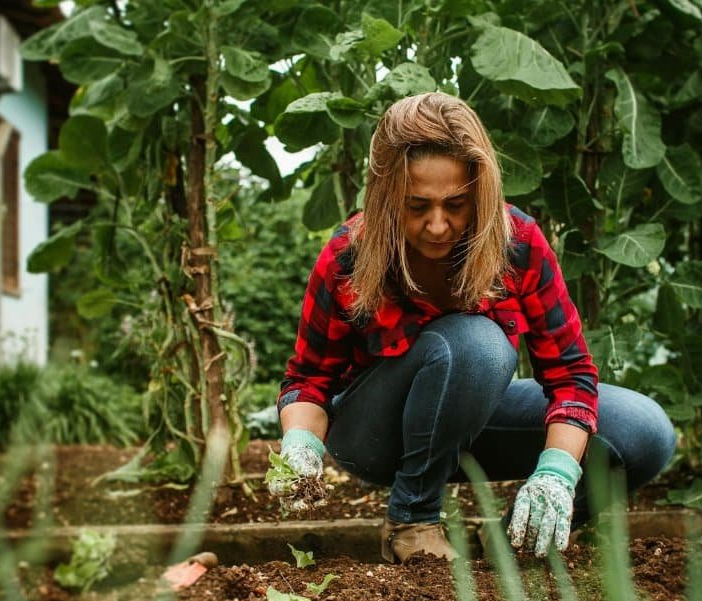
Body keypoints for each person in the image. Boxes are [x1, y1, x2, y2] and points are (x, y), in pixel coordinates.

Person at [268, 92, 675, 564]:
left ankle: (521, 536)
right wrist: (299, 446)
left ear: (479, 192)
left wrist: (557, 475)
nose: (438, 225)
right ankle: (413, 521)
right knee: (479, 347)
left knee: (644, 433)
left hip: (471, 414)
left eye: (456, 205)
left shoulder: (516, 244)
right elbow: (309, 381)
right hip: (375, 434)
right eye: (417, 206)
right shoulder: (349, 255)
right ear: (385, 198)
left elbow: (570, 376)